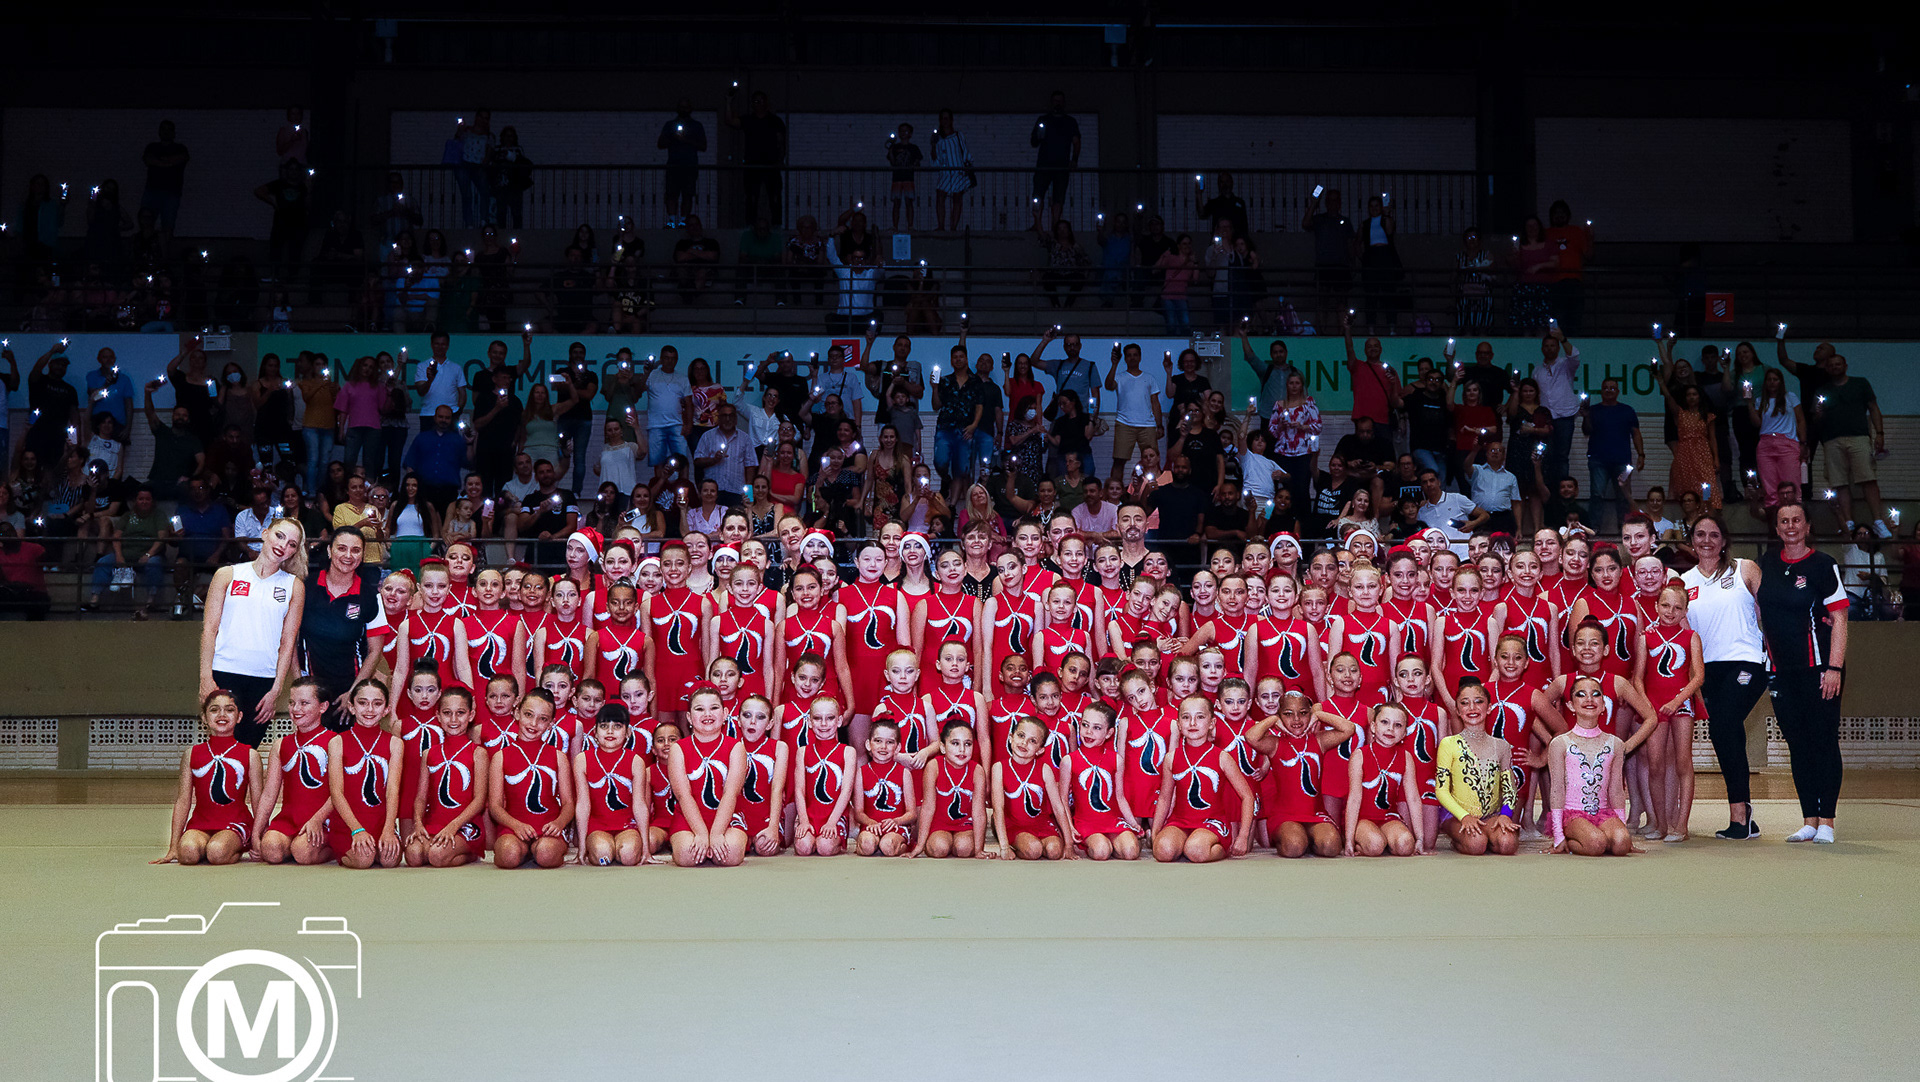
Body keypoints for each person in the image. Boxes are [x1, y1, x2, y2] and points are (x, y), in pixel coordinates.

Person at [1758, 503, 1849, 843]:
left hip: (1820, 670)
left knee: (1823, 741)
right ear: (1777, 528)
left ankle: (1827, 821)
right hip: (1782, 672)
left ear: (1808, 525)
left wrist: (1834, 667)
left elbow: (1839, 618)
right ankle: (1809, 819)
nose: (1790, 526)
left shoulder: (1823, 565)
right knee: (1797, 743)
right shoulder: (1766, 563)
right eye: (1784, 521)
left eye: (1797, 520)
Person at [1677, 514, 1770, 840]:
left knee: (1724, 725)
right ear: (1691, 541)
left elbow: (1768, 615)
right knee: (1726, 734)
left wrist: (1778, 660)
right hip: (1709, 672)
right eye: (1699, 534)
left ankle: (1739, 816)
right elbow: (1683, 634)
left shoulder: (1745, 568)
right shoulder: (1684, 582)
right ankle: (1746, 813)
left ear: (1724, 539)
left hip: (1746, 663)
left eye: (1713, 534)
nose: (1706, 540)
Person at [1546, 675, 1633, 856]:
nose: (1589, 700)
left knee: (1621, 844)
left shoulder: (1615, 743)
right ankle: (1571, 842)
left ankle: (1601, 836)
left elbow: (1616, 790)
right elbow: (1556, 790)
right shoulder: (1560, 743)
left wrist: (1622, 825)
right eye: (1581, 695)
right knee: (1595, 844)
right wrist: (1558, 835)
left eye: (1595, 694)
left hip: (1602, 812)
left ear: (1603, 705)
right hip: (1572, 813)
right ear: (1570, 705)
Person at [1582, 376, 1643, 533]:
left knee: (1623, 496)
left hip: (1622, 460)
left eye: (1612, 388)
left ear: (1618, 391)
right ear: (1601, 391)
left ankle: (1624, 529)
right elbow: (1586, 431)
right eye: (1605, 388)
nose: (1609, 390)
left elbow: (1636, 433)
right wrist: (1586, 415)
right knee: (1597, 494)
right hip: (1597, 459)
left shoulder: (1627, 410)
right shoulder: (1593, 410)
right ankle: (1593, 528)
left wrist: (1641, 454)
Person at [1028, 90, 1080, 233]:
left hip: (1061, 166)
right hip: (1044, 165)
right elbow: (1033, 142)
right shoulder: (1043, 120)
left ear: (1063, 103)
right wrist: (1039, 135)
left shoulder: (1070, 122)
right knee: (1038, 195)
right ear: (1052, 103)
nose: (1058, 103)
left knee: (1059, 197)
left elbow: (1076, 142)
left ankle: (1055, 226)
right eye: (1055, 101)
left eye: (1060, 101)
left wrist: (1074, 160)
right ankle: (1037, 224)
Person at [657, 97, 707, 228]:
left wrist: (685, 139)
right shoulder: (669, 125)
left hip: (690, 166)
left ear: (690, 109)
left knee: (687, 195)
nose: (684, 109)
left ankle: (683, 221)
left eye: (686, 107)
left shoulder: (696, 126)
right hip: (673, 165)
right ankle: (672, 221)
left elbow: (703, 146)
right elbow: (660, 144)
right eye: (681, 107)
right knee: (671, 194)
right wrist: (673, 138)